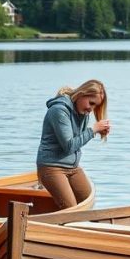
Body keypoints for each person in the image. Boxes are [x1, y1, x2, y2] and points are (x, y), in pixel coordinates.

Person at [36, 79, 110, 209]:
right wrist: (92, 131)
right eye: (91, 103)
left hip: (72, 167)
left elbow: (77, 141)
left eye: (95, 106)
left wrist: (98, 132)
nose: (90, 109)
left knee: (87, 200)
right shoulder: (59, 110)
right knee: (71, 209)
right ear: (82, 93)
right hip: (51, 167)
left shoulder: (82, 113)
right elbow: (69, 145)